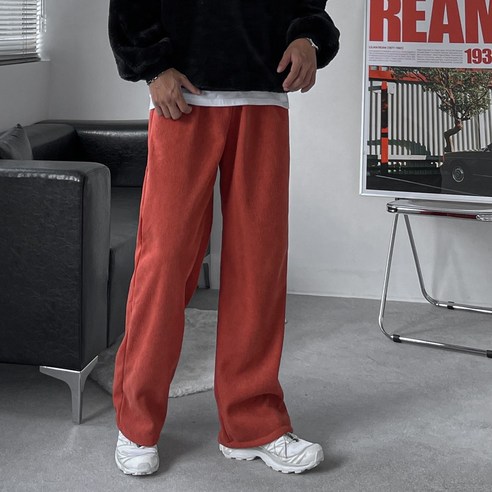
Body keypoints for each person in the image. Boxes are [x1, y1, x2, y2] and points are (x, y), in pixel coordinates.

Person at [108, 0, 340, 476]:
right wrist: (152, 67)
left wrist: (308, 36)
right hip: (183, 95)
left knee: (259, 266)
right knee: (164, 263)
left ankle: (252, 425)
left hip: (262, 91)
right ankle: (136, 422)